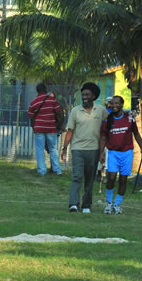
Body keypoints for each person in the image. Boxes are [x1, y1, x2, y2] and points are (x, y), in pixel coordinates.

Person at [61, 82, 109, 213]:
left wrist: (103, 151)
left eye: (87, 95)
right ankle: (73, 204)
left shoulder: (101, 110)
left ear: (94, 96)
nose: (85, 97)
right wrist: (65, 148)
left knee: (90, 178)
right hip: (77, 149)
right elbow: (70, 131)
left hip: (94, 149)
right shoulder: (75, 111)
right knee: (76, 176)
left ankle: (86, 205)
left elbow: (110, 126)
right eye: (83, 95)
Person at [99, 96, 142, 214]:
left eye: (117, 103)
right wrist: (101, 153)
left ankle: (117, 204)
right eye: (112, 103)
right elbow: (103, 137)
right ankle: (109, 203)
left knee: (123, 180)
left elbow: (136, 133)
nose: (114, 105)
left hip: (127, 153)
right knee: (111, 178)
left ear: (122, 105)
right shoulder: (107, 120)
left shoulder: (129, 118)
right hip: (113, 153)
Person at [27, 82, 63, 176]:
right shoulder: (52, 100)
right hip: (51, 128)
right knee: (53, 149)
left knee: (40, 149)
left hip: (39, 128)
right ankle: (57, 170)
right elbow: (58, 112)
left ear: (37, 91)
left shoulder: (33, 102)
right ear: (45, 89)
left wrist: (34, 128)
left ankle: (42, 171)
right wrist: (59, 125)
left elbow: (31, 117)